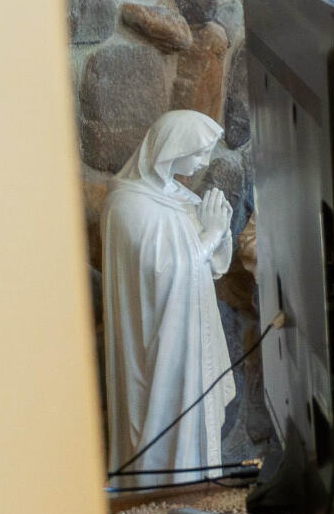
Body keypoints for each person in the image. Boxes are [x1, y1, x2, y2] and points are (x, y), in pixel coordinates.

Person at [99, 110, 236, 483]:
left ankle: (194, 494)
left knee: (195, 426)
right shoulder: (128, 205)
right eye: (198, 152)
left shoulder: (177, 197)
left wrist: (220, 235)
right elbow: (166, 273)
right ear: (170, 148)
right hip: (158, 346)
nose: (204, 162)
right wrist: (209, 236)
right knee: (168, 419)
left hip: (190, 336)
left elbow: (207, 267)